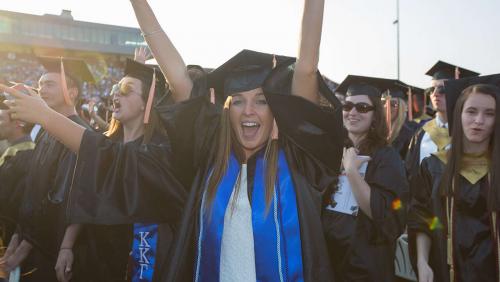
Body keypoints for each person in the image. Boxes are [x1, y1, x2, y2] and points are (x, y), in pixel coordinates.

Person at [129, 0, 345, 280]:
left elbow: (306, 68)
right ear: (227, 112)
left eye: (261, 101)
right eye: (239, 102)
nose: (249, 111)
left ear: (276, 112)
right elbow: (178, 78)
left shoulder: (298, 161)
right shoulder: (210, 156)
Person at [2, 57, 189, 282]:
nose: (116, 95)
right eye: (115, 89)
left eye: (126, 90)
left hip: (131, 257)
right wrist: (67, 246)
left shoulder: (156, 155)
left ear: (147, 102)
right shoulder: (106, 141)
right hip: (93, 253)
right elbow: (84, 197)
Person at [1, 57, 93, 281]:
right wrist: (16, 237)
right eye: (40, 84)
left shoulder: (80, 135)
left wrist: (24, 247)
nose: (41, 90)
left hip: (52, 248)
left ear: (71, 93)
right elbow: (33, 189)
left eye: (49, 84)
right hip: (29, 241)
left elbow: (60, 199)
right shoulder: (45, 130)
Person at [408, 74, 500, 282]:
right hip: (446, 270)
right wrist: (422, 262)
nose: (479, 120)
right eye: (471, 111)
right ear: (458, 114)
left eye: (489, 113)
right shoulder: (433, 167)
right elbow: (422, 219)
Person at [323, 75, 408, 281]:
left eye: (362, 107)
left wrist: (352, 172)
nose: (352, 112)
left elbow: (383, 213)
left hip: (365, 262)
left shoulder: (386, 157)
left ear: (375, 116)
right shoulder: (332, 151)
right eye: (347, 106)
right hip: (329, 259)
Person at [405, 61, 480, 188]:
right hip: (423, 206)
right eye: (431, 89)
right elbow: (410, 175)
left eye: (443, 89)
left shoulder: (474, 133)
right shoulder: (422, 133)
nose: (435, 94)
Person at [0, 85, 35, 278]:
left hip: (9, 241)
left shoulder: (26, 155)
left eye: (1, 119)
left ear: (18, 123)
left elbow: (12, 205)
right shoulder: (11, 150)